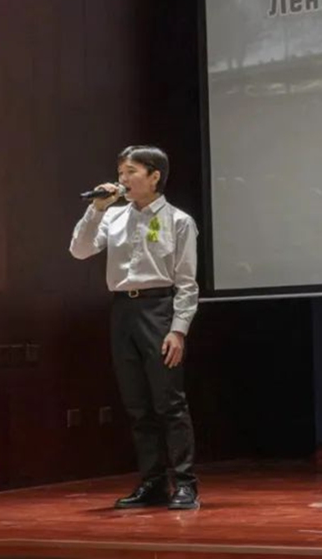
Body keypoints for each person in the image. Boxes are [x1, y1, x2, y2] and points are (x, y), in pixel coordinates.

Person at [69, 145, 200, 510]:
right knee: (137, 404)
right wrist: (96, 209)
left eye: (131, 172)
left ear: (154, 176)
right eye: (120, 173)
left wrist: (178, 329)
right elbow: (79, 250)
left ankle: (185, 483)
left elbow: (187, 283)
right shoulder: (112, 216)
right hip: (123, 309)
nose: (123, 180)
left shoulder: (179, 221)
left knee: (169, 402)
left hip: (159, 309)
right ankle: (152, 482)